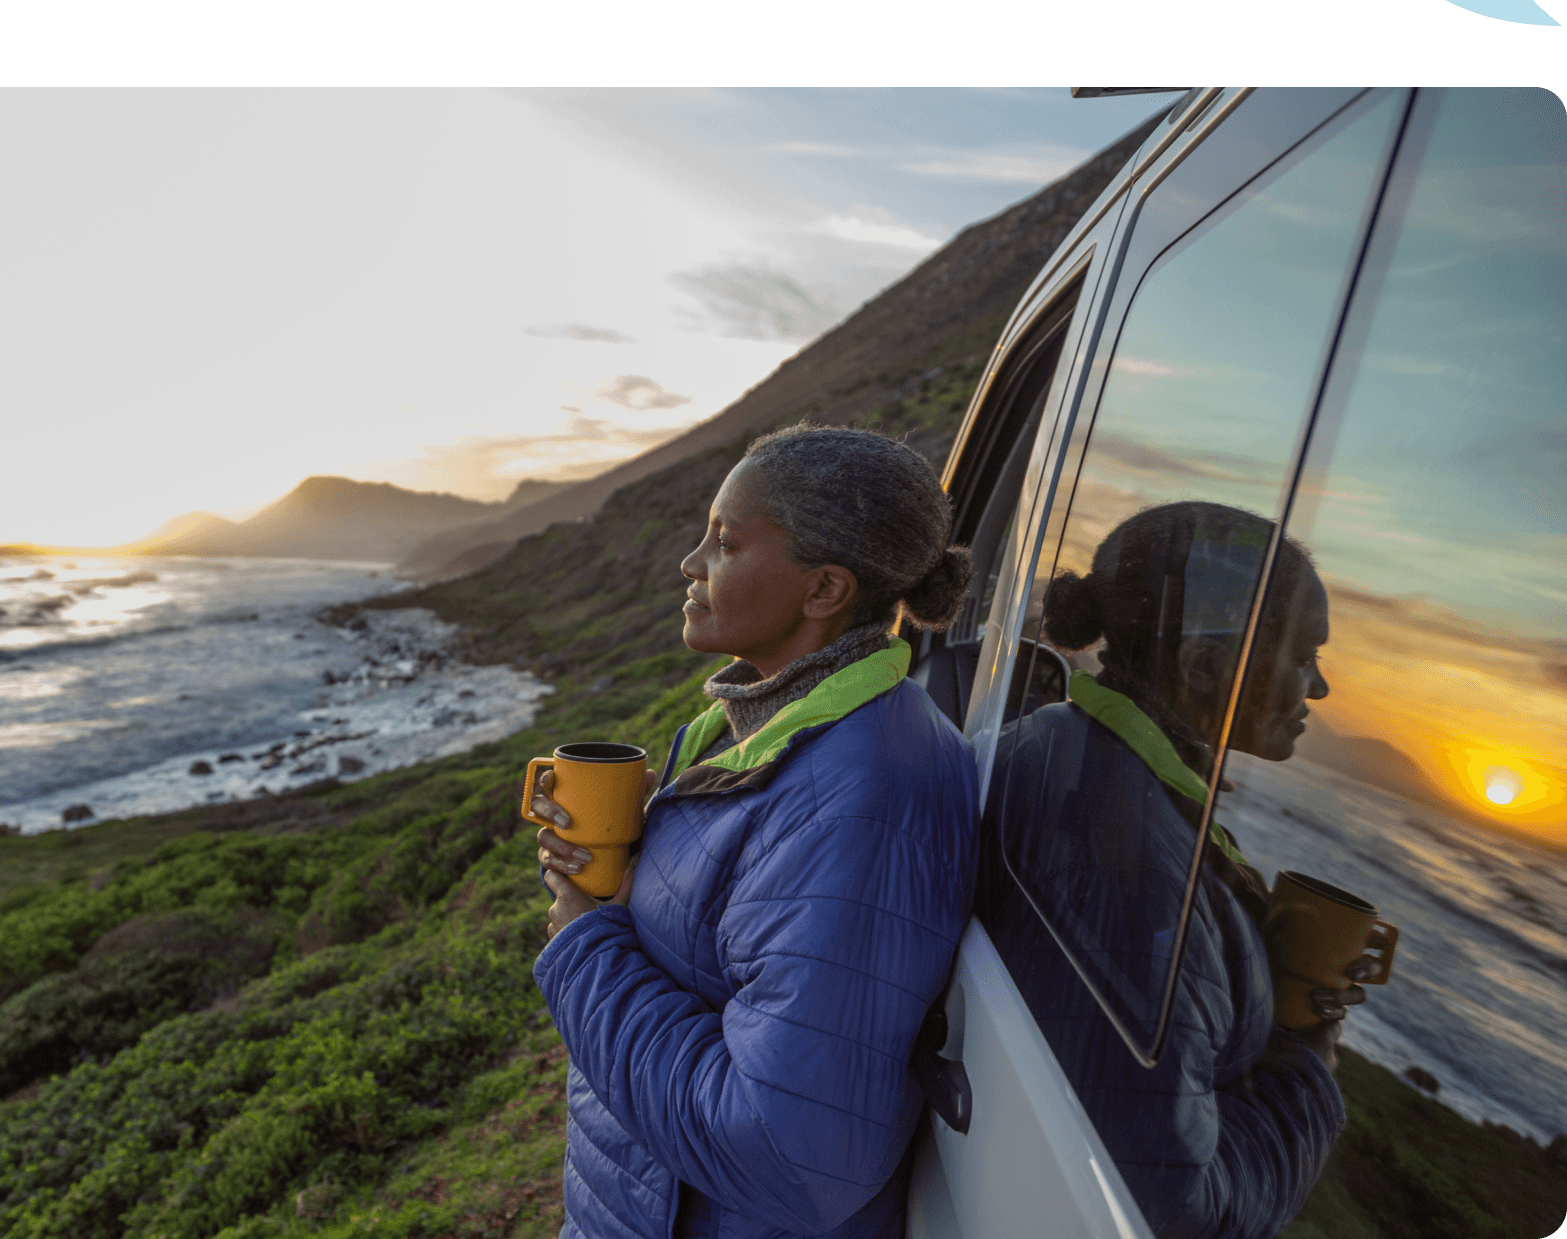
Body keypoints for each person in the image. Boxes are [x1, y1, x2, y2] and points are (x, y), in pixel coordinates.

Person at [528, 423, 980, 1239]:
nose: (690, 563)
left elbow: (785, 1152)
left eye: (725, 543)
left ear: (824, 590)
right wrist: (629, 878)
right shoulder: (751, 728)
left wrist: (587, 950)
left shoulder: (860, 801)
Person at [980, 501, 1365, 1239]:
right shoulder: (1132, 868)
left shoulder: (1067, 743)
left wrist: (1240, 962)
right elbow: (1170, 1210)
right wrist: (1306, 1066)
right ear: (1204, 668)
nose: (1318, 688)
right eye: (1303, 656)